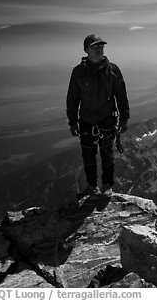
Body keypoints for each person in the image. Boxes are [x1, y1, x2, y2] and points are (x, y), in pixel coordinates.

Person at [66, 34, 129, 197]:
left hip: (107, 118)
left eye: (101, 46)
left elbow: (121, 94)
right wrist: (72, 121)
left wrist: (124, 118)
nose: (99, 49)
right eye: (95, 46)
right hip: (86, 120)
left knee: (107, 154)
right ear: (86, 50)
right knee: (88, 155)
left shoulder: (113, 70)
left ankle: (107, 186)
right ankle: (91, 186)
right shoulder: (78, 72)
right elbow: (73, 97)